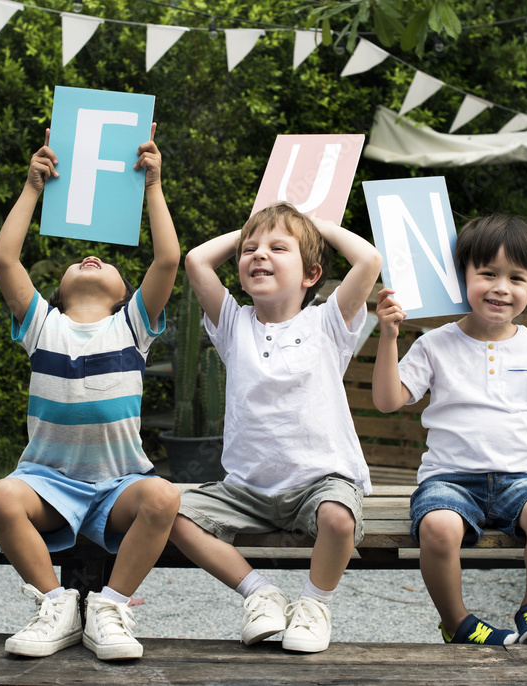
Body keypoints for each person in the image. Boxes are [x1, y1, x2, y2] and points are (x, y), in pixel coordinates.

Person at [0, 125, 181, 661]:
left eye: (106, 263)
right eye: (79, 262)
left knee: (164, 496)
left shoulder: (134, 327)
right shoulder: (40, 325)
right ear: (60, 288)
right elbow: (5, 259)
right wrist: (32, 189)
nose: (91, 259)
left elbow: (167, 261)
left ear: (125, 294)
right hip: (47, 483)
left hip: (119, 486)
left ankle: (110, 608)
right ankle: (57, 605)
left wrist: (153, 187)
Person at [371, 213, 527, 646]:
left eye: (516, 278)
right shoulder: (434, 344)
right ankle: (458, 622)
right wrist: (388, 337)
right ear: (460, 277)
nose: (502, 287)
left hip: (517, 479)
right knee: (438, 529)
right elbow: (387, 401)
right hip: (447, 479)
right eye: (487, 274)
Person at [168, 201, 382, 653]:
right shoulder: (232, 323)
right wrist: (253, 226)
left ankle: (314, 605)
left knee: (339, 519)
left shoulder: (328, 321)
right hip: (247, 488)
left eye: (277, 248)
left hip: (321, 483)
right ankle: (260, 593)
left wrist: (314, 224)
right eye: (250, 249)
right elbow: (196, 261)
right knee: (175, 516)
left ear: (311, 274)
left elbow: (368, 260)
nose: (258, 254)